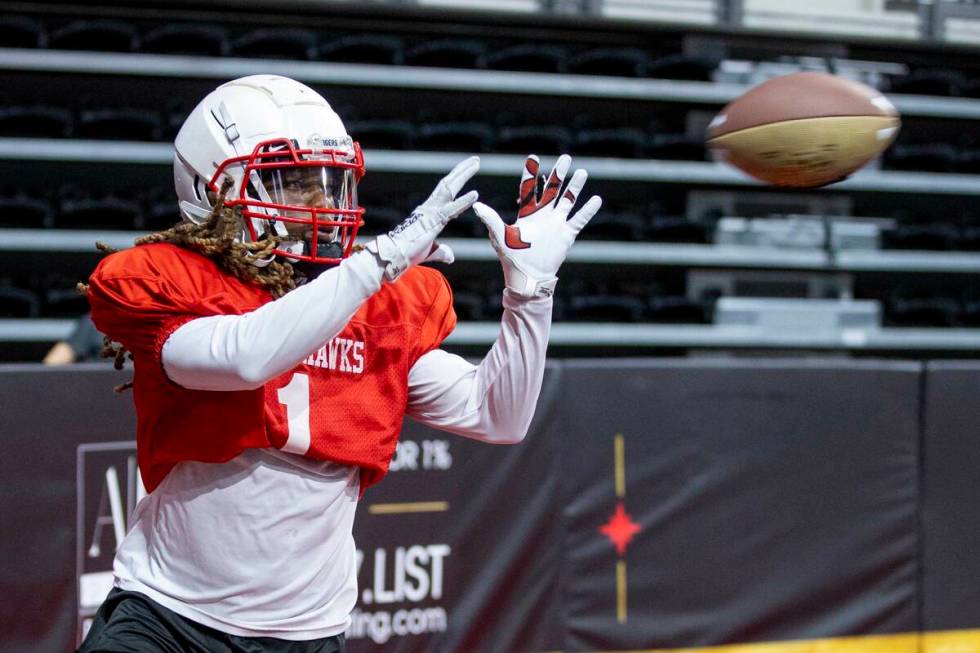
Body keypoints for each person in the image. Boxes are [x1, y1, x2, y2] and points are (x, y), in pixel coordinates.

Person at [77, 74, 601, 652]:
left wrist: (531, 295)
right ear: (212, 187)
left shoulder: (373, 305)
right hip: (166, 616)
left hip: (306, 635)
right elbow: (247, 357)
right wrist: (375, 264)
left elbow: (497, 415)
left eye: (330, 182)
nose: (322, 203)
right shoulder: (175, 284)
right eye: (294, 183)